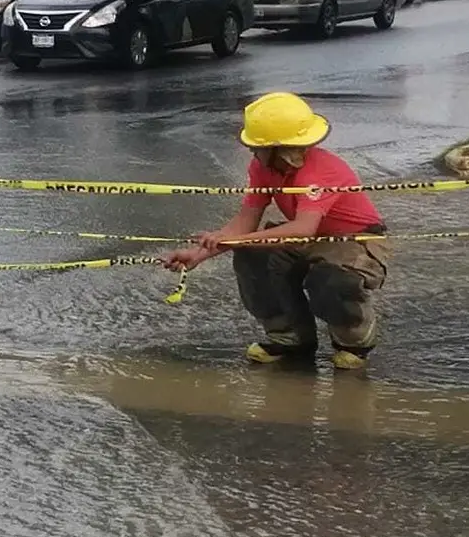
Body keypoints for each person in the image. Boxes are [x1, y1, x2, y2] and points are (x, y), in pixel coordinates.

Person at [162, 92, 389, 370]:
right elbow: (246, 220)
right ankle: (289, 337)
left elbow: (303, 229)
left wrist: (234, 239)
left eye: (256, 147)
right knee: (251, 255)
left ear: (278, 148)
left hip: (353, 240)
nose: (251, 152)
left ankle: (353, 339)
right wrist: (198, 254)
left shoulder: (320, 171)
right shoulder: (262, 167)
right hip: (306, 235)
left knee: (330, 281)